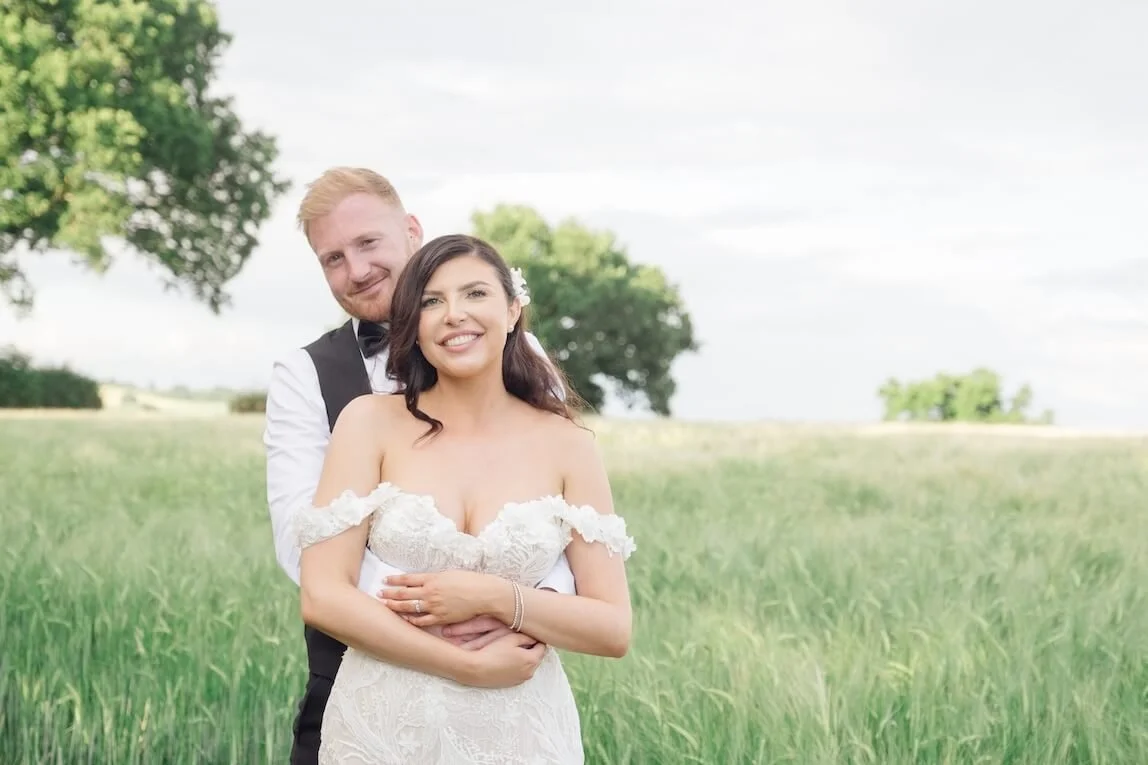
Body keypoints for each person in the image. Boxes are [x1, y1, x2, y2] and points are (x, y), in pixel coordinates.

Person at [263, 167, 578, 764]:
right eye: (333, 259)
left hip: (509, 687)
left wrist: (515, 605)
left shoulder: (516, 351)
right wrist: (439, 620)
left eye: (368, 243)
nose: (356, 270)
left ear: (412, 230)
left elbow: (562, 516)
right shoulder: (304, 377)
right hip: (361, 690)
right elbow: (298, 541)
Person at [291, 233, 635, 763]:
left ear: (513, 310)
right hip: (383, 730)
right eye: (432, 301)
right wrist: (466, 666)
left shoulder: (568, 444)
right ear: (414, 325)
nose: (454, 314)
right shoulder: (368, 422)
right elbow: (322, 596)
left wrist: (494, 597)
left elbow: (613, 628)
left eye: (475, 293)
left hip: (522, 733)